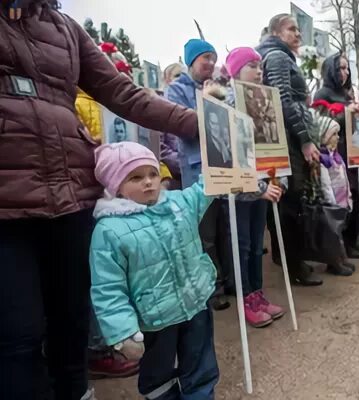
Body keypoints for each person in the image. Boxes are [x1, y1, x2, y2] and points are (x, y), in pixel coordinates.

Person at [0, 2, 201, 399]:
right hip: (7, 208)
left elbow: (124, 93)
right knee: (18, 335)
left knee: (71, 323)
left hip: (71, 195)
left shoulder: (63, 28)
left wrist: (201, 124)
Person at [91, 142, 219, 399]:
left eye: (152, 173)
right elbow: (108, 289)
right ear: (116, 185)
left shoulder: (179, 203)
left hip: (196, 304)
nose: (148, 182)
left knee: (201, 367)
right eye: (136, 177)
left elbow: (207, 187)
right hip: (155, 321)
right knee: (157, 376)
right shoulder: (108, 231)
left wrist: (224, 162)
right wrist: (123, 332)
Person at [257, 14, 323, 285]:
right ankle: (293, 264)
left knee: (288, 199)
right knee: (291, 199)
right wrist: (305, 139)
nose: (298, 35)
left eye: (298, 30)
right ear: (276, 32)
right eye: (291, 29)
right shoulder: (277, 56)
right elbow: (281, 100)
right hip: (287, 138)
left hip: (287, 136)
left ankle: (286, 258)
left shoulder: (279, 56)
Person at [166, 38, 232, 310]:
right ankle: (212, 289)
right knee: (204, 231)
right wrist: (207, 103)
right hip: (196, 170)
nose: (211, 63)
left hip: (222, 164)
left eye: (213, 58)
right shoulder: (176, 90)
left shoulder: (219, 87)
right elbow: (181, 125)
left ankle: (229, 280)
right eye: (205, 57)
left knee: (226, 228)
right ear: (191, 60)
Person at [224, 46, 286, 327]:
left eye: (260, 66)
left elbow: (272, 146)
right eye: (252, 66)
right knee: (243, 246)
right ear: (236, 72)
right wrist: (259, 186)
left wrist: (277, 179)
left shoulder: (265, 102)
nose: (259, 71)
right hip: (241, 192)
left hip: (263, 187)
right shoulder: (228, 105)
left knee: (256, 246)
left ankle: (257, 293)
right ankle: (245, 298)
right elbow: (232, 155)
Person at [313, 52, 359, 258]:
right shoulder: (322, 94)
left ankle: (353, 239)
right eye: (340, 68)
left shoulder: (348, 95)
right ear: (331, 69)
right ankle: (341, 246)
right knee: (343, 200)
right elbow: (323, 126)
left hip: (356, 150)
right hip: (337, 153)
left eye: (347, 68)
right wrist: (347, 112)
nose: (345, 72)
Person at [312, 110, 355, 276]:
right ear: (324, 136)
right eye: (334, 134)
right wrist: (332, 203)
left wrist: (348, 198)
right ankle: (334, 262)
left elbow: (343, 178)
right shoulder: (323, 159)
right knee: (333, 235)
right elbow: (325, 184)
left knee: (339, 233)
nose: (337, 137)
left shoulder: (336, 156)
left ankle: (341, 258)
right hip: (333, 203)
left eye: (337, 134)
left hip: (343, 200)